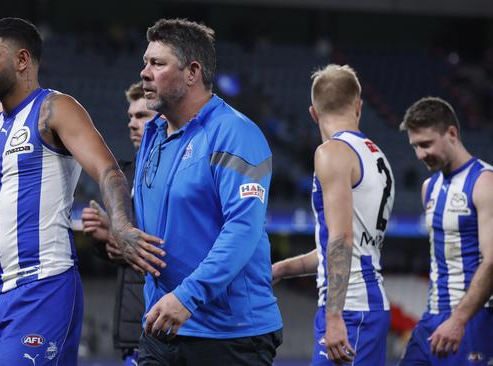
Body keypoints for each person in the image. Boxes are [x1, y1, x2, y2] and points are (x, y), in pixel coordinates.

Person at [0, 18, 163, 366]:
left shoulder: (54, 109)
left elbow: (107, 170)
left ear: (22, 60)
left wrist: (122, 225)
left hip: (44, 288)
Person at [129, 18, 282, 365]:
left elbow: (243, 227)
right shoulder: (153, 135)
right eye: (145, 62)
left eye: (157, 63)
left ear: (192, 71)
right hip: (161, 326)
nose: (145, 72)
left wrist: (187, 297)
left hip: (231, 334)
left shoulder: (235, 133)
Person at [271, 64, 394, 365]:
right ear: (358, 106)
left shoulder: (332, 153)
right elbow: (338, 246)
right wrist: (281, 270)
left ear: (313, 112)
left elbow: (341, 239)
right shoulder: (376, 155)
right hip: (368, 306)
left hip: (349, 310)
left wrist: (335, 316)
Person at [398, 97, 493, 365]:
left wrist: (458, 319)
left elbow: (492, 261)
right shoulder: (429, 187)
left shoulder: (484, 182)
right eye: (415, 146)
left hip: (473, 320)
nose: (420, 154)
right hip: (432, 318)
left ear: (452, 133)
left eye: (426, 144)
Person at [81, 81, 157, 365]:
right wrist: (102, 239)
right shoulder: (123, 176)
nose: (132, 124)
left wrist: (113, 232)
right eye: (130, 117)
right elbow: (119, 253)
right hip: (133, 324)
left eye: (141, 116)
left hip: (170, 321)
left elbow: (158, 241)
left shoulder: (180, 171)